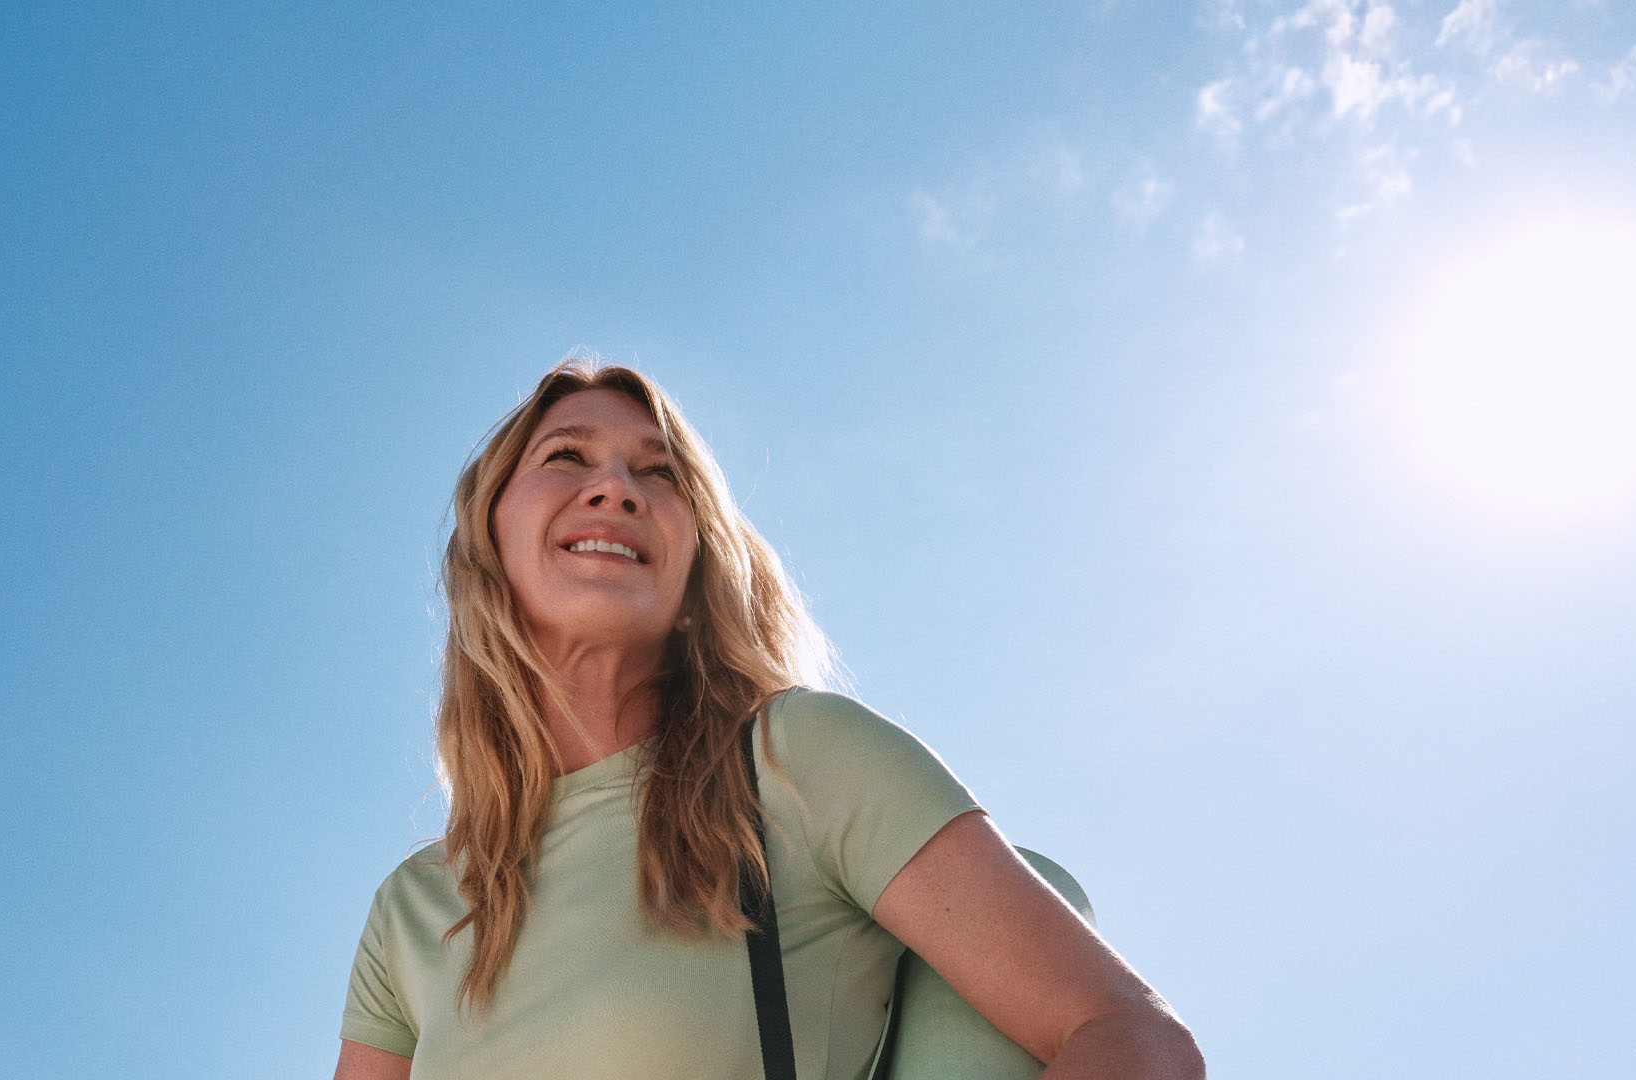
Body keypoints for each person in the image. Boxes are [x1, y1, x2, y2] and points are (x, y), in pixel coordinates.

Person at [333, 360, 1203, 1080]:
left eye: (660, 473)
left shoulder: (795, 762)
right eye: (567, 456)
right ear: (489, 537)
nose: (615, 489)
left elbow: (1129, 1035)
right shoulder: (413, 906)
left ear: (694, 568)